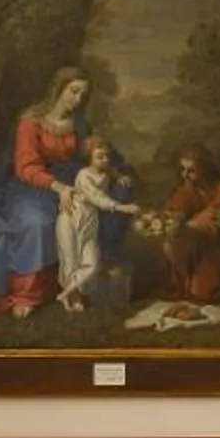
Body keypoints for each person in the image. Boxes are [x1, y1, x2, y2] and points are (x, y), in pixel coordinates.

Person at [0, 66, 89, 316]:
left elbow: (92, 153)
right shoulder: (30, 121)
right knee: (38, 222)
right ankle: (28, 294)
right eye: (74, 91)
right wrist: (58, 187)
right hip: (30, 187)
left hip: (69, 186)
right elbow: (26, 166)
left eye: (83, 96)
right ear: (58, 88)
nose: (78, 100)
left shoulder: (79, 124)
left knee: (84, 217)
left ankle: (71, 286)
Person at [54, 135, 141, 314]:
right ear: (89, 157)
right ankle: (74, 297)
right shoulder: (83, 175)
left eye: (107, 156)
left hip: (90, 221)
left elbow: (110, 173)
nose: (105, 160)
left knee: (92, 264)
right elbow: (97, 197)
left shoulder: (107, 172)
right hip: (71, 218)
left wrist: (120, 176)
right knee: (71, 259)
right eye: (100, 156)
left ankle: (64, 294)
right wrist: (122, 207)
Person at [152, 143, 220, 303]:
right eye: (183, 169)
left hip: (217, 246)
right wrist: (168, 219)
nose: (185, 174)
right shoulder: (188, 187)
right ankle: (182, 284)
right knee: (170, 244)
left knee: (201, 292)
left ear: (204, 168)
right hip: (195, 243)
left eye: (191, 170)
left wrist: (185, 226)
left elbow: (212, 216)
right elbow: (175, 208)